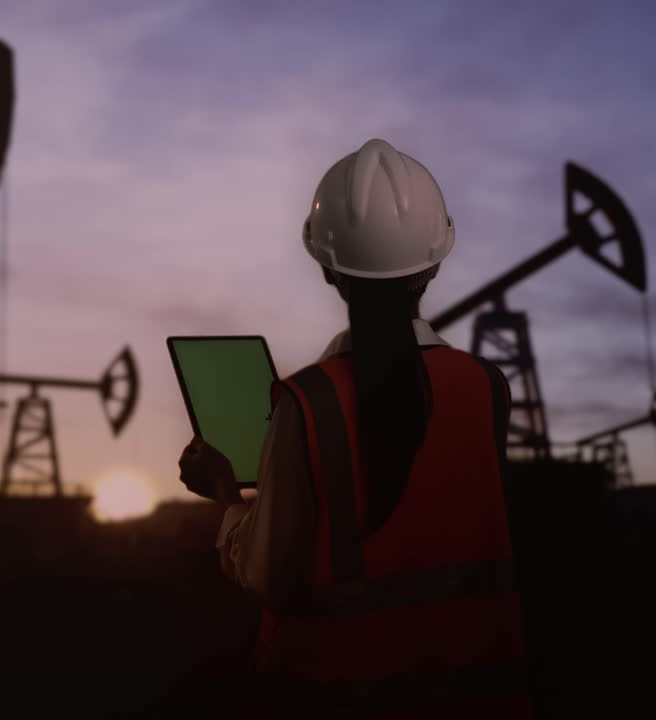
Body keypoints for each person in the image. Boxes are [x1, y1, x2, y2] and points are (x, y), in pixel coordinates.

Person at [179, 138, 531, 718]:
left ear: (327, 271)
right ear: (436, 262)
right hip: (479, 695)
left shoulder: (308, 401)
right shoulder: (487, 387)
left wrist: (226, 496)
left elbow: (269, 576)